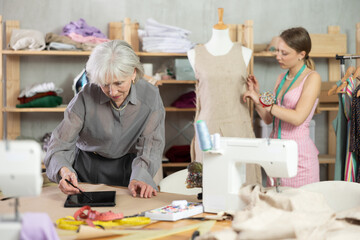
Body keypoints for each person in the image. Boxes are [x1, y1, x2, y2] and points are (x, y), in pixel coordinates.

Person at [44, 40, 165, 198]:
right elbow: (59, 145)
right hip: (86, 171)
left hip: (132, 171)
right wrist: (64, 171)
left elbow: (151, 146)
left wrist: (140, 176)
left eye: (118, 83)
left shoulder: (150, 96)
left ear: (133, 73)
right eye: (105, 84)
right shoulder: (85, 96)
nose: (112, 91)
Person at [187, 16, 262, 185]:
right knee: (209, 188)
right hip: (207, 129)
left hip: (239, 129)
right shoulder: (194, 54)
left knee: (244, 187)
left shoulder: (244, 52)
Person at [243, 27, 321, 187]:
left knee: (300, 208)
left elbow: (298, 118)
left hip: (300, 156)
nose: (278, 56)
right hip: (277, 153)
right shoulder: (281, 77)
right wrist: (256, 96)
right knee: (276, 206)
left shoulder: (312, 78)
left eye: (284, 53)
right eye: (277, 51)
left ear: (302, 54)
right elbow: (268, 118)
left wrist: (264, 101)